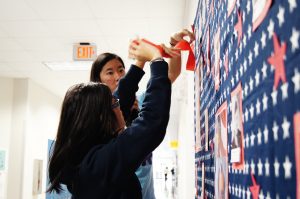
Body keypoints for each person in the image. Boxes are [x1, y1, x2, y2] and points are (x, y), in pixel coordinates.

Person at [47, 39, 174, 198]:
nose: (120, 109)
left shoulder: (86, 152)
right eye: (114, 104)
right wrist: (156, 59)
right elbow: (151, 123)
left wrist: (140, 61)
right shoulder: (100, 163)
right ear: (100, 117)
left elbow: (122, 97)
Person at [89, 29, 195, 199]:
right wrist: (151, 57)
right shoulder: (96, 116)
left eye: (121, 70)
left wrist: (174, 47)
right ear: (98, 81)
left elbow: (169, 76)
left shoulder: (139, 99)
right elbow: (149, 120)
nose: (117, 76)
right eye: (109, 72)